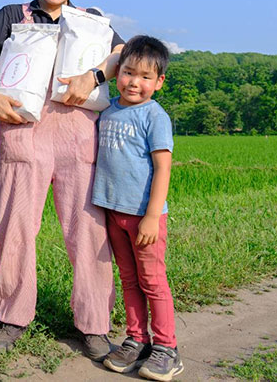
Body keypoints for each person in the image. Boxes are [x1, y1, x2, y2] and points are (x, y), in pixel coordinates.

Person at [0, 0, 125, 361]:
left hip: (78, 135)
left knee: (87, 230)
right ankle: (12, 317)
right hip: (22, 131)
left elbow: (122, 53)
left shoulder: (91, 20)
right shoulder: (14, 15)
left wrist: (93, 77)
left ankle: (93, 324)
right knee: (15, 226)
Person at [94, 36, 184, 380]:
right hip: (114, 213)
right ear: (118, 73)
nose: (135, 82)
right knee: (129, 280)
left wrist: (151, 216)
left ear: (159, 82)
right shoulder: (109, 109)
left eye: (146, 77)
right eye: (128, 73)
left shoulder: (154, 116)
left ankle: (166, 348)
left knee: (152, 281)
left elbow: (163, 167)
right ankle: (136, 339)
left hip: (144, 217)